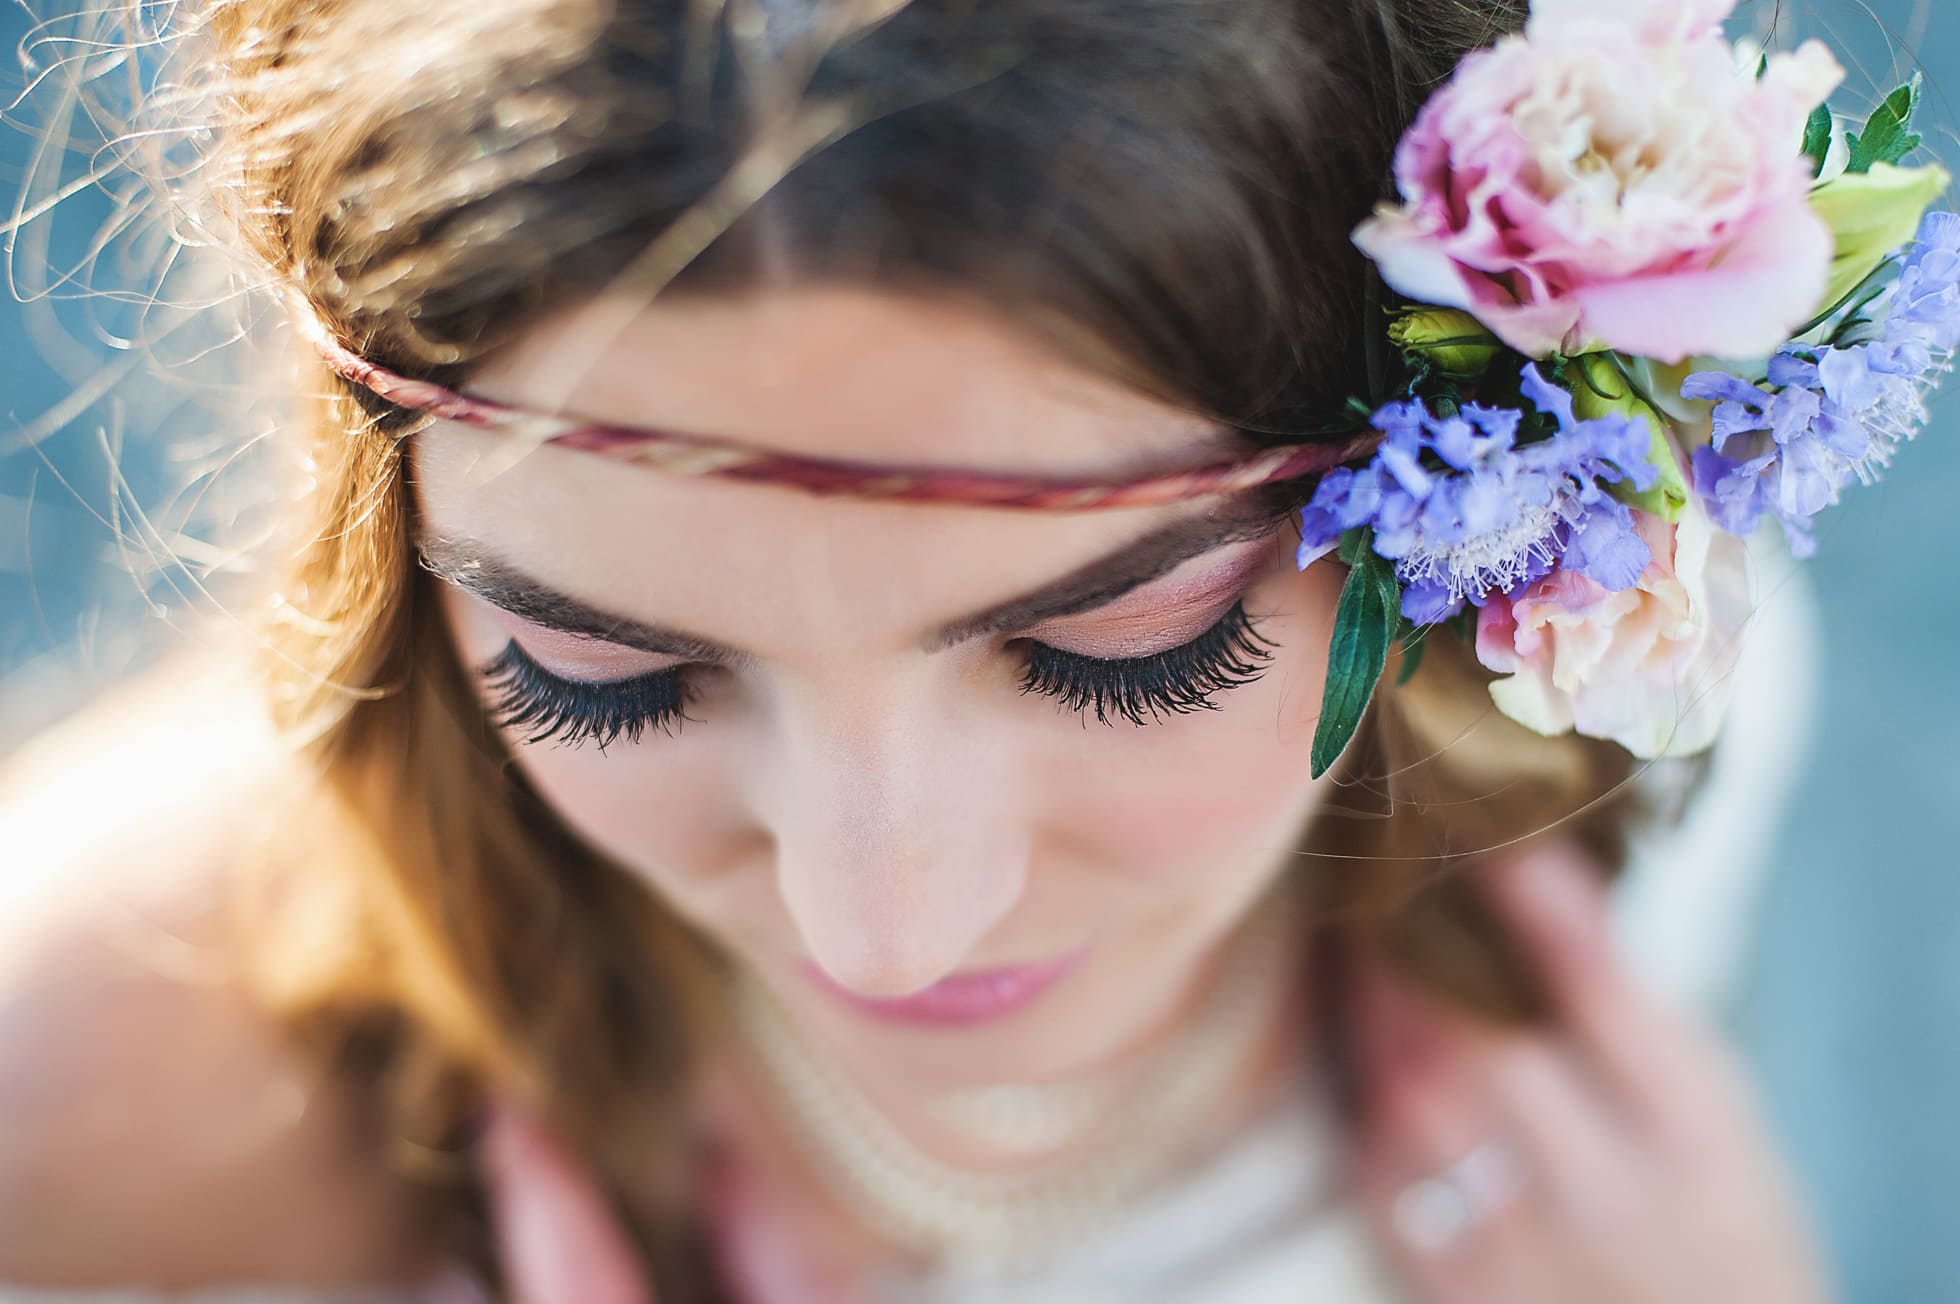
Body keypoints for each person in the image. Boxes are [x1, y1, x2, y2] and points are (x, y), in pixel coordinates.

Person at [6, 0, 1923, 1298]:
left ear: (1491, 455)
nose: (883, 931)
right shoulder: (97, 1095)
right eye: (607, 674)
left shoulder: (1621, 673)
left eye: (1122, 654)